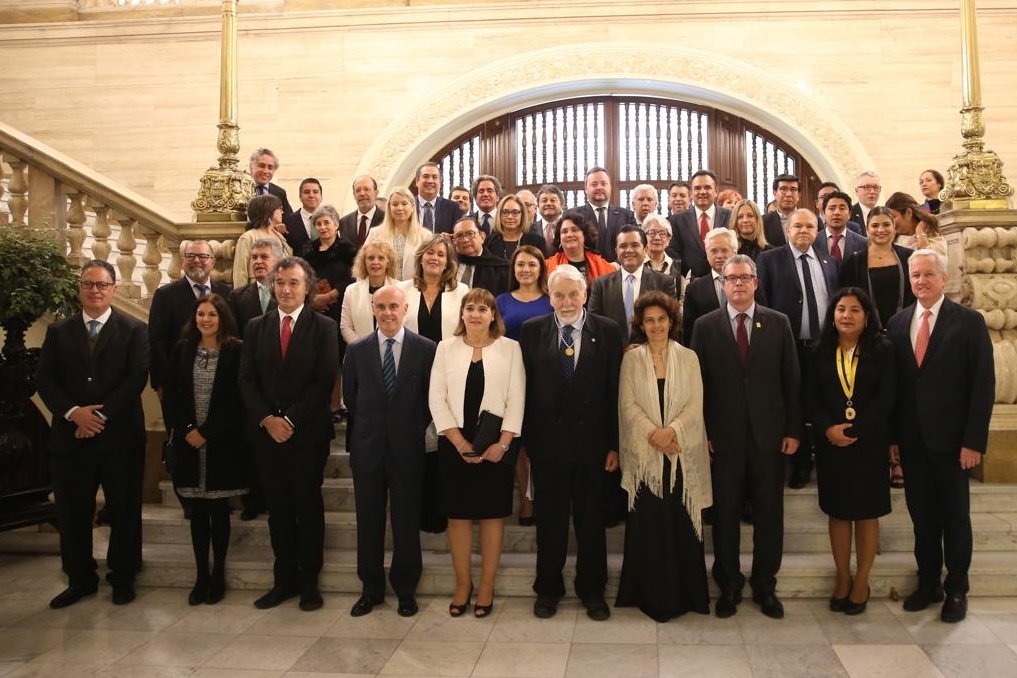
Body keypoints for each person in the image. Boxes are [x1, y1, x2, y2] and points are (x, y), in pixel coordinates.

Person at [690, 254, 802, 620]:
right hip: (723, 439)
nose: (738, 283)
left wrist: (793, 430)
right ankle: (729, 585)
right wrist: (704, 431)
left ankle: (765, 585)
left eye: (744, 277)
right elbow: (698, 385)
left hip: (770, 437)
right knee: (725, 515)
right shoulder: (705, 326)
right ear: (722, 284)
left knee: (769, 514)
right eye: (731, 278)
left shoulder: (778, 322)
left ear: (755, 282)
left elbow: (791, 379)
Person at [887, 250, 995, 624]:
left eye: (928, 274)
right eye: (915, 275)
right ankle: (929, 583)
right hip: (912, 442)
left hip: (953, 444)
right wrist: (894, 439)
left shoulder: (969, 322)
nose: (921, 281)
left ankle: (957, 589)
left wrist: (974, 441)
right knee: (923, 518)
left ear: (943, 279)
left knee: (955, 517)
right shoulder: (898, 323)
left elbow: (983, 386)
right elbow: (896, 388)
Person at [37, 261, 149, 608]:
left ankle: (123, 577)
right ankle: (79, 578)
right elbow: (46, 380)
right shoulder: (59, 331)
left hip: (119, 437)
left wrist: (99, 415)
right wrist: (75, 413)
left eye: (102, 285)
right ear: (80, 288)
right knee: (72, 512)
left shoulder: (134, 329)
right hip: (71, 438)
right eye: (88, 284)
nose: (95, 290)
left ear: (114, 288)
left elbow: (136, 378)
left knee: (124, 510)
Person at [520, 265, 624, 621]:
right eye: (559, 295)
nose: (566, 302)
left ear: (585, 295)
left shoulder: (607, 331)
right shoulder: (532, 331)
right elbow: (525, 390)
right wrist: (528, 444)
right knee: (550, 523)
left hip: (593, 447)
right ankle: (548, 590)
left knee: (591, 523)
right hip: (547, 446)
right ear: (549, 297)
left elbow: (615, 391)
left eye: (573, 294)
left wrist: (614, 444)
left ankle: (592, 591)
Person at [238, 257, 339, 612]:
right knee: (278, 509)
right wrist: (268, 419)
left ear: (307, 287)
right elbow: (246, 379)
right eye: (280, 282)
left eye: (293, 282)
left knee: (307, 506)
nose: (285, 289)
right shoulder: (255, 327)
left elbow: (324, 380)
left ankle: (309, 582)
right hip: (267, 435)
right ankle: (283, 580)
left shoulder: (324, 327)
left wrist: (289, 419)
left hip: (307, 434)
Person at [615, 290, 712, 622]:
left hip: (681, 452)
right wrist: (654, 435)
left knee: (680, 524)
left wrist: (672, 432)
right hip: (646, 457)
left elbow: (695, 404)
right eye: (649, 320)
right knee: (650, 527)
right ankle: (649, 596)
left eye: (661, 319)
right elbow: (627, 405)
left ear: (672, 322)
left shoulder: (689, 357)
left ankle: (686, 595)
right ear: (641, 325)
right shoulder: (631, 359)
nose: (656, 325)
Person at [430, 288, 525, 618]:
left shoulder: (510, 348)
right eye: (470, 308)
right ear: (462, 314)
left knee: (491, 517)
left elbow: (517, 398)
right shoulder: (445, 348)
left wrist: (503, 444)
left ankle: (486, 586)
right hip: (455, 444)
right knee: (457, 518)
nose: (475, 314)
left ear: (493, 315)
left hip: (495, 447)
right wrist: (459, 443)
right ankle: (462, 585)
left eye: (483, 309)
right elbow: (436, 398)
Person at [343, 284, 437, 618]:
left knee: (406, 523)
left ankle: (406, 590)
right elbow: (352, 399)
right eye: (381, 307)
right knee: (368, 523)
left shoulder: (426, 349)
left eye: (393, 306)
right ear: (372, 308)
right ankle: (371, 589)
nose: (387, 313)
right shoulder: (357, 350)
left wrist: (407, 428)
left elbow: (430, 400)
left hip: (408, 449)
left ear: (405, 308)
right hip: (368, 450)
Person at [807, 288, 895, 615]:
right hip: (832, 445)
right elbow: (810, 397)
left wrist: (856, 431)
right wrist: (828, 429)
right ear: (832, 315)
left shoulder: (883, 350)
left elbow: (887, 397)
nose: (847, 315)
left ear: (867, 316)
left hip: (869, 444)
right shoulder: (819, 351)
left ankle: (862, 581)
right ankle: (843, 577)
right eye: (841, 309)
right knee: (839, 512)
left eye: (855, 310)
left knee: (867, 513)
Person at [163, 293, 248, 606]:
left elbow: (237, 400)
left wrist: (207, 432)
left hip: (222, 444)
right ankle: (201, 576)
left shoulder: (235, 350)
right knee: (197, 514)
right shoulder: (182, 349)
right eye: (201, 314)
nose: (206, 320)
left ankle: (219, 575)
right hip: (189, 444)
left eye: (212, 314)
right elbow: (171, 395)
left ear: (222, 318)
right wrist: (188, 430)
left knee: (218, 511)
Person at [756, 208, 838, 489]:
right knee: (795, 404)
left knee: (824, 402)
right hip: (789, 346)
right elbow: (763, 301)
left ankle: (825, 461)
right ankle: (800, 465)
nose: (804, 231)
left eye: (810, 226)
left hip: (823, 347)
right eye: (798, 226)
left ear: (817, 231)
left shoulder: (827, 260)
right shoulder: (769, 259)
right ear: (787, 230)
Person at [398, 234, 469, 534]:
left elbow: (467, 332)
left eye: (441, 254)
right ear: (420, 257)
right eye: (429, 253)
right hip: (410, 376)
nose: (435, 258)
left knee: (443, 442)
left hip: (449, 377)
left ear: (448, 261)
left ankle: (440, 512)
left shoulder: (461, 291)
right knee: (415, 443)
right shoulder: (402, 290)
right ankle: (415, 511)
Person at [496, 245, 552, 527]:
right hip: (510, 378)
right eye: (520, 264)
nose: (526, 269)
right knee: (517, 444)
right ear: (513, 269)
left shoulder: (552, 300)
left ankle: (544, 498)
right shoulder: (502, 301)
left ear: (541, 269)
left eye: (532, 264)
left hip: (545, 379)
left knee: (541, 443)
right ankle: (527, 503)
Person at [227, 238, 282, 521]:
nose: (258, 262)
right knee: (251, 444)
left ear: (278, 262)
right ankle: (253, 500)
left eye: (264, 257)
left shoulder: (288, 293)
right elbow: (231, 337)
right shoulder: (237, 297)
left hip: (281, 382)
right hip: (249, 382)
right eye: (254, 257)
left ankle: (276, 499)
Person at [149, 240, 232, 398]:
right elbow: (156, 342)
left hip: (220, 382)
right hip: (178, 382)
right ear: (183, 261)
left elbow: (231, 334)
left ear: (213, 262)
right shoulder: (165, 295)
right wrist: (160, 384)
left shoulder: (227, 293)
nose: (196, 260)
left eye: (203, 256)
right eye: (190, 256)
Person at [590, 225, 678, 343]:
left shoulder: (664, 283)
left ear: (645, 249)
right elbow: (593, 325)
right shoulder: (601, 285)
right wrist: (622, 348)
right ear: (616, 251)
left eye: (635, 245)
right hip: (612, 352)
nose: (629, 250)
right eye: (623, 246)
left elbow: (673, 324)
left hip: (653, 351)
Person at [838, 207, 915, 330]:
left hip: (906, 327)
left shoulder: (909, 257)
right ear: (867, 229)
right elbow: (848, 300)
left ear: (894, 227)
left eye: (886, 225)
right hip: (867, 331)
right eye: (875, 225)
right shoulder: (854, 262)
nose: (881, 230)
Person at [666, 169, 733, 278]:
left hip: (725, 279)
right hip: (690, 282)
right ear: (691, 193)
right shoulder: (676, 221)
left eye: (707, 187)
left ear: (716, 191)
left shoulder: (730, 217)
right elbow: (673, 254)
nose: (702, 192)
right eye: (697, 188)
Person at [364, 186, 431, 279]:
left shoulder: (425, 236)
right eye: (395, 204)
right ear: (389, 208)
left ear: (412, 207)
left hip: (414, 286)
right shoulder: (375, 234)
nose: (399, 208)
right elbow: (363, 264)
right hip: (383, 286)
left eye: (404, 204)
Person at [340, 240, 399, 344]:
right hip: (359, 350)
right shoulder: (351, 290)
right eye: (371, 258)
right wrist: (363, 347)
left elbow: (404, 324)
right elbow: (346, 327)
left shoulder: (400, 289)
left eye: (381, 258)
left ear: (388, 262)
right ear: (364, 262)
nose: (375, 262)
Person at [575, 167, 637, 262]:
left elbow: (634, 244)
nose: (599, 187)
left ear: (610, 187)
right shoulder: (574, 215)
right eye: (594, 184)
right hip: (585, 268)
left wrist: (617, 264)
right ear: (586, 189)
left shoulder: (627, 216)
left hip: (618, 268)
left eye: (604, 184)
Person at [545, 208, 615, 287]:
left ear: (585, 235)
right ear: (559, 238)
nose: (569, 234)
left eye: (574, 230)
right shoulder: (546, 267)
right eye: (564, 231)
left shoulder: (604, 266)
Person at [233, 194, 293, 287]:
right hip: (257, 290)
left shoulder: (279, 236)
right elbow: (240, 273)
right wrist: (241, 294)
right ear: (268, 211)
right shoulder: (248, 237)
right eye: (279, 209)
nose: (282, 212)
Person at [452, 216, 510, 295]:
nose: (465, 240)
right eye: (459, 236)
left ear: (482, 237)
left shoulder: (502, 269)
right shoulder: (449, 265)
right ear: (454, 241)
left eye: (470, 234)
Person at [814, 191, 868, 269]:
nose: (837, 212)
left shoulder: (863, 243)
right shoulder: (813, 242)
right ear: (824, 213)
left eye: (842, 208)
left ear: (849, 214)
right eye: (832, 208)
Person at [486, 193, 546, 259]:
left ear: (522, 215)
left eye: (515, 212)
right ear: (499, 215)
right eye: (505, 212)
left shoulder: (536, 242)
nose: (510, 217)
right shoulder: (489, 242)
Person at [885, 191, 947, 255]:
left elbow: (928, 257)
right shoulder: (894, 243)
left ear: (908, 213)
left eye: (893, 217)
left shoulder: (933, 236)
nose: (890, 222)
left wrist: (919, 231)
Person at [413, 161, 461, 233]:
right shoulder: (408, 205)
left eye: (434, 177)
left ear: (440, 183)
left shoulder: (452, 208)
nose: (430, 181)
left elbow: (457, 235)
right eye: (426, 176)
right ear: (417, 181)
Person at [338, 175, 384, 249]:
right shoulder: (343, 223)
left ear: (376, 192)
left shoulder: (386, 220)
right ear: (354, 195)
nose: (362, 193)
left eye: (366, 189)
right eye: (358, 190)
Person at [281, 177, 322, 253]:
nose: (311, 195)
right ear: (300, 197)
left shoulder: (330, 220)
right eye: (306, 192)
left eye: (315, 192)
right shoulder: (287, 222)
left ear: (321, 197)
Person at [760, 174, 801, 247]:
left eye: (793, 190)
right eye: (783, 189)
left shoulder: (812, 220)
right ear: (775, 193)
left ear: (799, 195)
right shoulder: (763, 221)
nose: (788, 194)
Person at [249, 147, 293, 215]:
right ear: (251, 167)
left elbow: (289, 218)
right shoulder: (240, 189)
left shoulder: (280, 193)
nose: (265, 171)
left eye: (270, 168)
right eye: (261, 166)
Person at [641, 215, 681, 282]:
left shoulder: (678, 267)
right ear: (644, 237)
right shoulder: (637, 264)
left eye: (662, 233)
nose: (657, 238)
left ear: (669, 238)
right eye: (652, 233)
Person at [536, 184, 565, 252]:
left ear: (562, 205)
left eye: (552, 200)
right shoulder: (529, 230)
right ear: (538, 206)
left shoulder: (569, 228)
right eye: (544, 200)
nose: (548, 203)